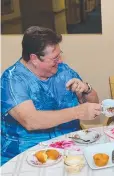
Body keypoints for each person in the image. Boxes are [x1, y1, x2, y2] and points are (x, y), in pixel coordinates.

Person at [1, 26, 101, 165]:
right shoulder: (12, 79)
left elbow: (94, 106)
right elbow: (31, 121)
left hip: (70, 147)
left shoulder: (63, 71)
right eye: (54, 58)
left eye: (60, 55)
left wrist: (87, 89)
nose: (59, 61)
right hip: (28, 154)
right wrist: (77, 112)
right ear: (34, 58)